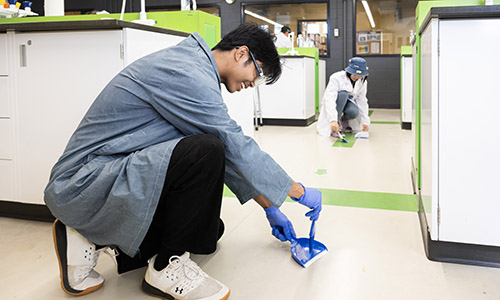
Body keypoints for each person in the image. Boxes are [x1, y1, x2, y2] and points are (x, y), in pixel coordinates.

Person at [44, 23, 322, 300]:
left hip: (112, 171)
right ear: (240, 53)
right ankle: (164, 268)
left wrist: (269, 207)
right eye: (257, 74)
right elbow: (233, 144)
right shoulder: (188, 72)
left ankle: (91, 236)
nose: (252, 84)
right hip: (82, 182)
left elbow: (229, 154)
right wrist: (296, 190)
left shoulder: (195, 66)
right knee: (207, 150)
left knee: (209, 232)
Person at [317, 57, 370, 138]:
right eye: (354, 74)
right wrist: (333, 120)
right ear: (349, 71)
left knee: (353, 112)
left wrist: (365, 122)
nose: (356, 78)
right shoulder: (336, 77)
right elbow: (330, 99)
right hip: (337, 102)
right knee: (343, 94)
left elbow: (362, 101)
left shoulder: (362, 82)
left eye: (360, 76)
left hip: (348, 102)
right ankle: (336, 123)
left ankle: (344, 122)